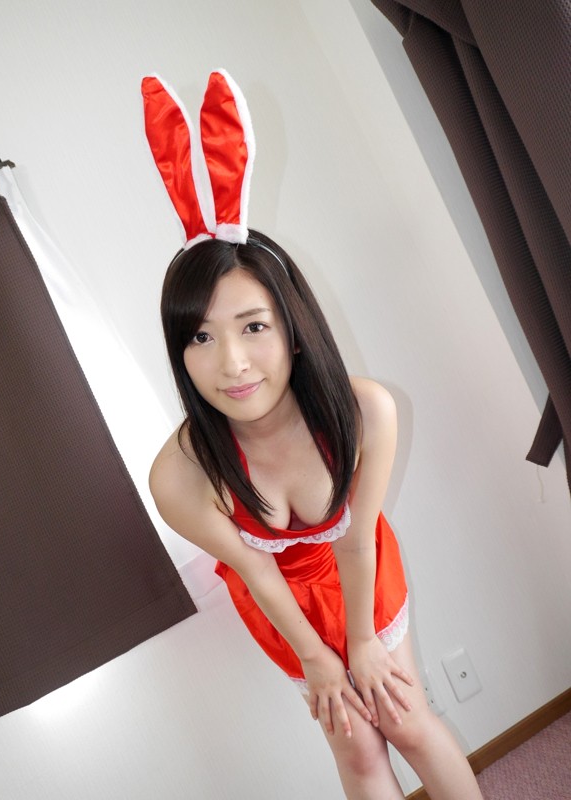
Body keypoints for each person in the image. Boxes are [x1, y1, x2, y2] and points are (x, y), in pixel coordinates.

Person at [143, 71, 483, 800]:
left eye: (253, 327)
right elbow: (255, 570)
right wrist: (318, 657)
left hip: (358, 570)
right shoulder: (179, 475)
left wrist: (359, 642)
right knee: (356, 751)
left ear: (293, 328)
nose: (232, 365)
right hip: (276, 602)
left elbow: (355, 541)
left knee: (406, 721)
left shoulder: (364, 412)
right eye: (200, 336)